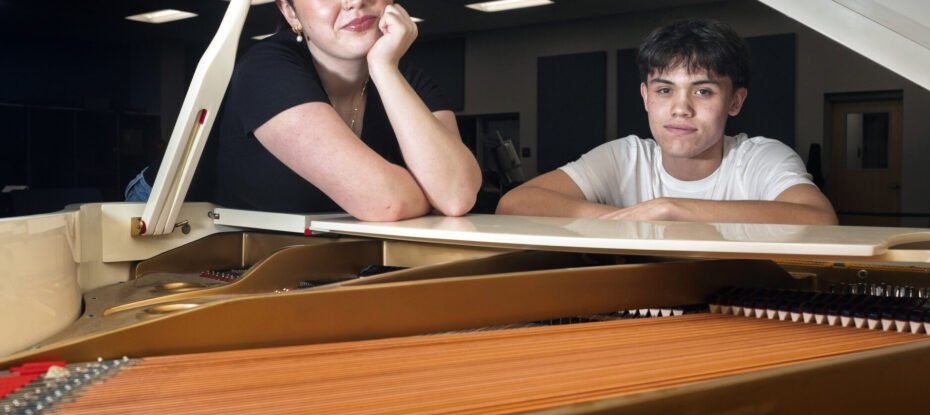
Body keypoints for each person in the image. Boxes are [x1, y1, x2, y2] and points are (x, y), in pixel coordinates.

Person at [126, 0, 480, 221]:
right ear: (289, 12)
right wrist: (422, 191)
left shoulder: (409, 80)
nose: (355, 2)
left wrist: (384, 69)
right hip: (167, 213)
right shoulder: (265, 68)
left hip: (283, 230)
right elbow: (387, 204)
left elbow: (455, 195)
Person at [496, 19, 837, 225]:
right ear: (645, 97)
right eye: (664, 90)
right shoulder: (624, 157)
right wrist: (621, 220)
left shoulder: (759, 158)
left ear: (735, 101)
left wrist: (673, 209)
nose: (680, 108)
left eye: (703, 92)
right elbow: (514, 204)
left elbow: (818, 218)